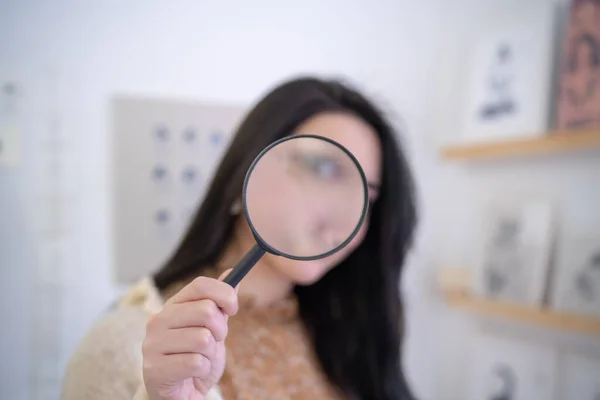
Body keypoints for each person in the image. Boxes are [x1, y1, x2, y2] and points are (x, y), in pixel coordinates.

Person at [61, 76, 418, 400]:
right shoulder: (121, 349)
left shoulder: (354, 338)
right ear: (246, 169)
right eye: (322, 170)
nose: (344, 224)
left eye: (367, 199)